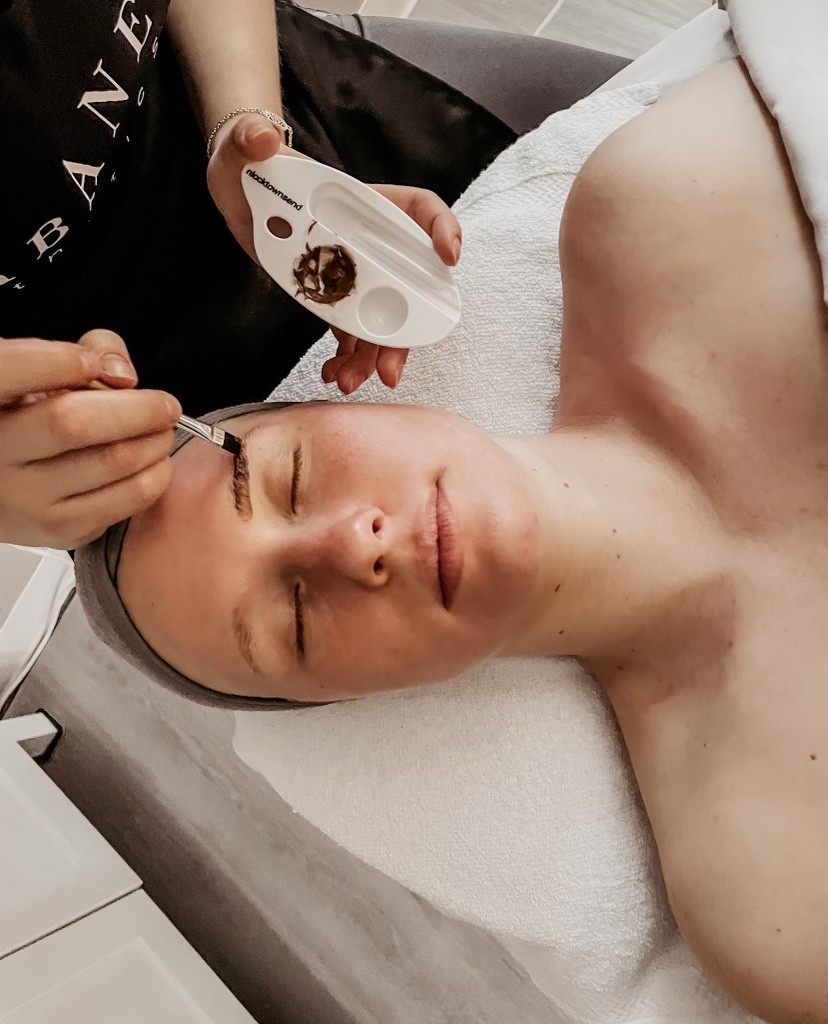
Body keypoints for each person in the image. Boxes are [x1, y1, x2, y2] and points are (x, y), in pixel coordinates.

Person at [78, 57, 827, 1024]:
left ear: (344, 395)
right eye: (295, 621)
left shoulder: (666, 209)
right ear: (358, 698)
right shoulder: (764, 889)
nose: (352, 544)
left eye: (293, 479)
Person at [0, 0, 627, 551]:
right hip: (129, 385)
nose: (359, 540)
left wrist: (247, 135)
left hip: (291, 140)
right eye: (294, 615)